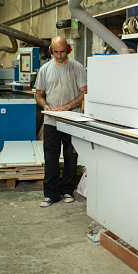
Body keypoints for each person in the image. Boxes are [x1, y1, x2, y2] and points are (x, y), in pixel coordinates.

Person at [35, 36, 87, 207]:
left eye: (62, 51)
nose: (59, 55)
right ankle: (51, 194)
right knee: (51, 157)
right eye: (56, 52)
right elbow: (39, 94)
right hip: (51, 120)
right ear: (51, 50)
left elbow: (84, 93)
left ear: (69, 49)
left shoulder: (77, 68)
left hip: (72, 119)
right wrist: (45, 106)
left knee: (71, 156)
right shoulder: (45, 69)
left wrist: (68, 106)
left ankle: (67, 190)